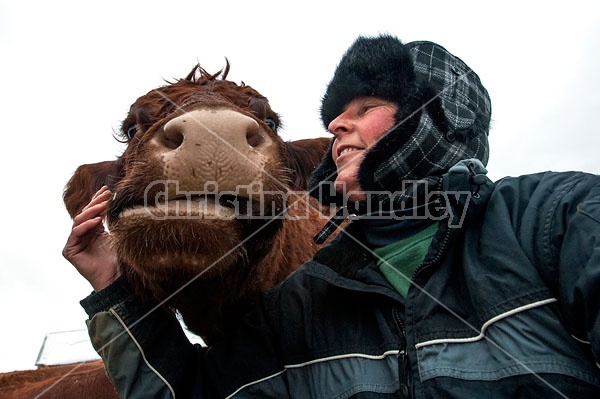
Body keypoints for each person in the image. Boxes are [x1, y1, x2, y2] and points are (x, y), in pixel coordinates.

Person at [64, 34, 600, 398]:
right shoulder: (302, 303)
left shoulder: (558, 218)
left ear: (439, 118)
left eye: (364, 108)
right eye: (335, 115)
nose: (339, 123)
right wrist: (114, 287)